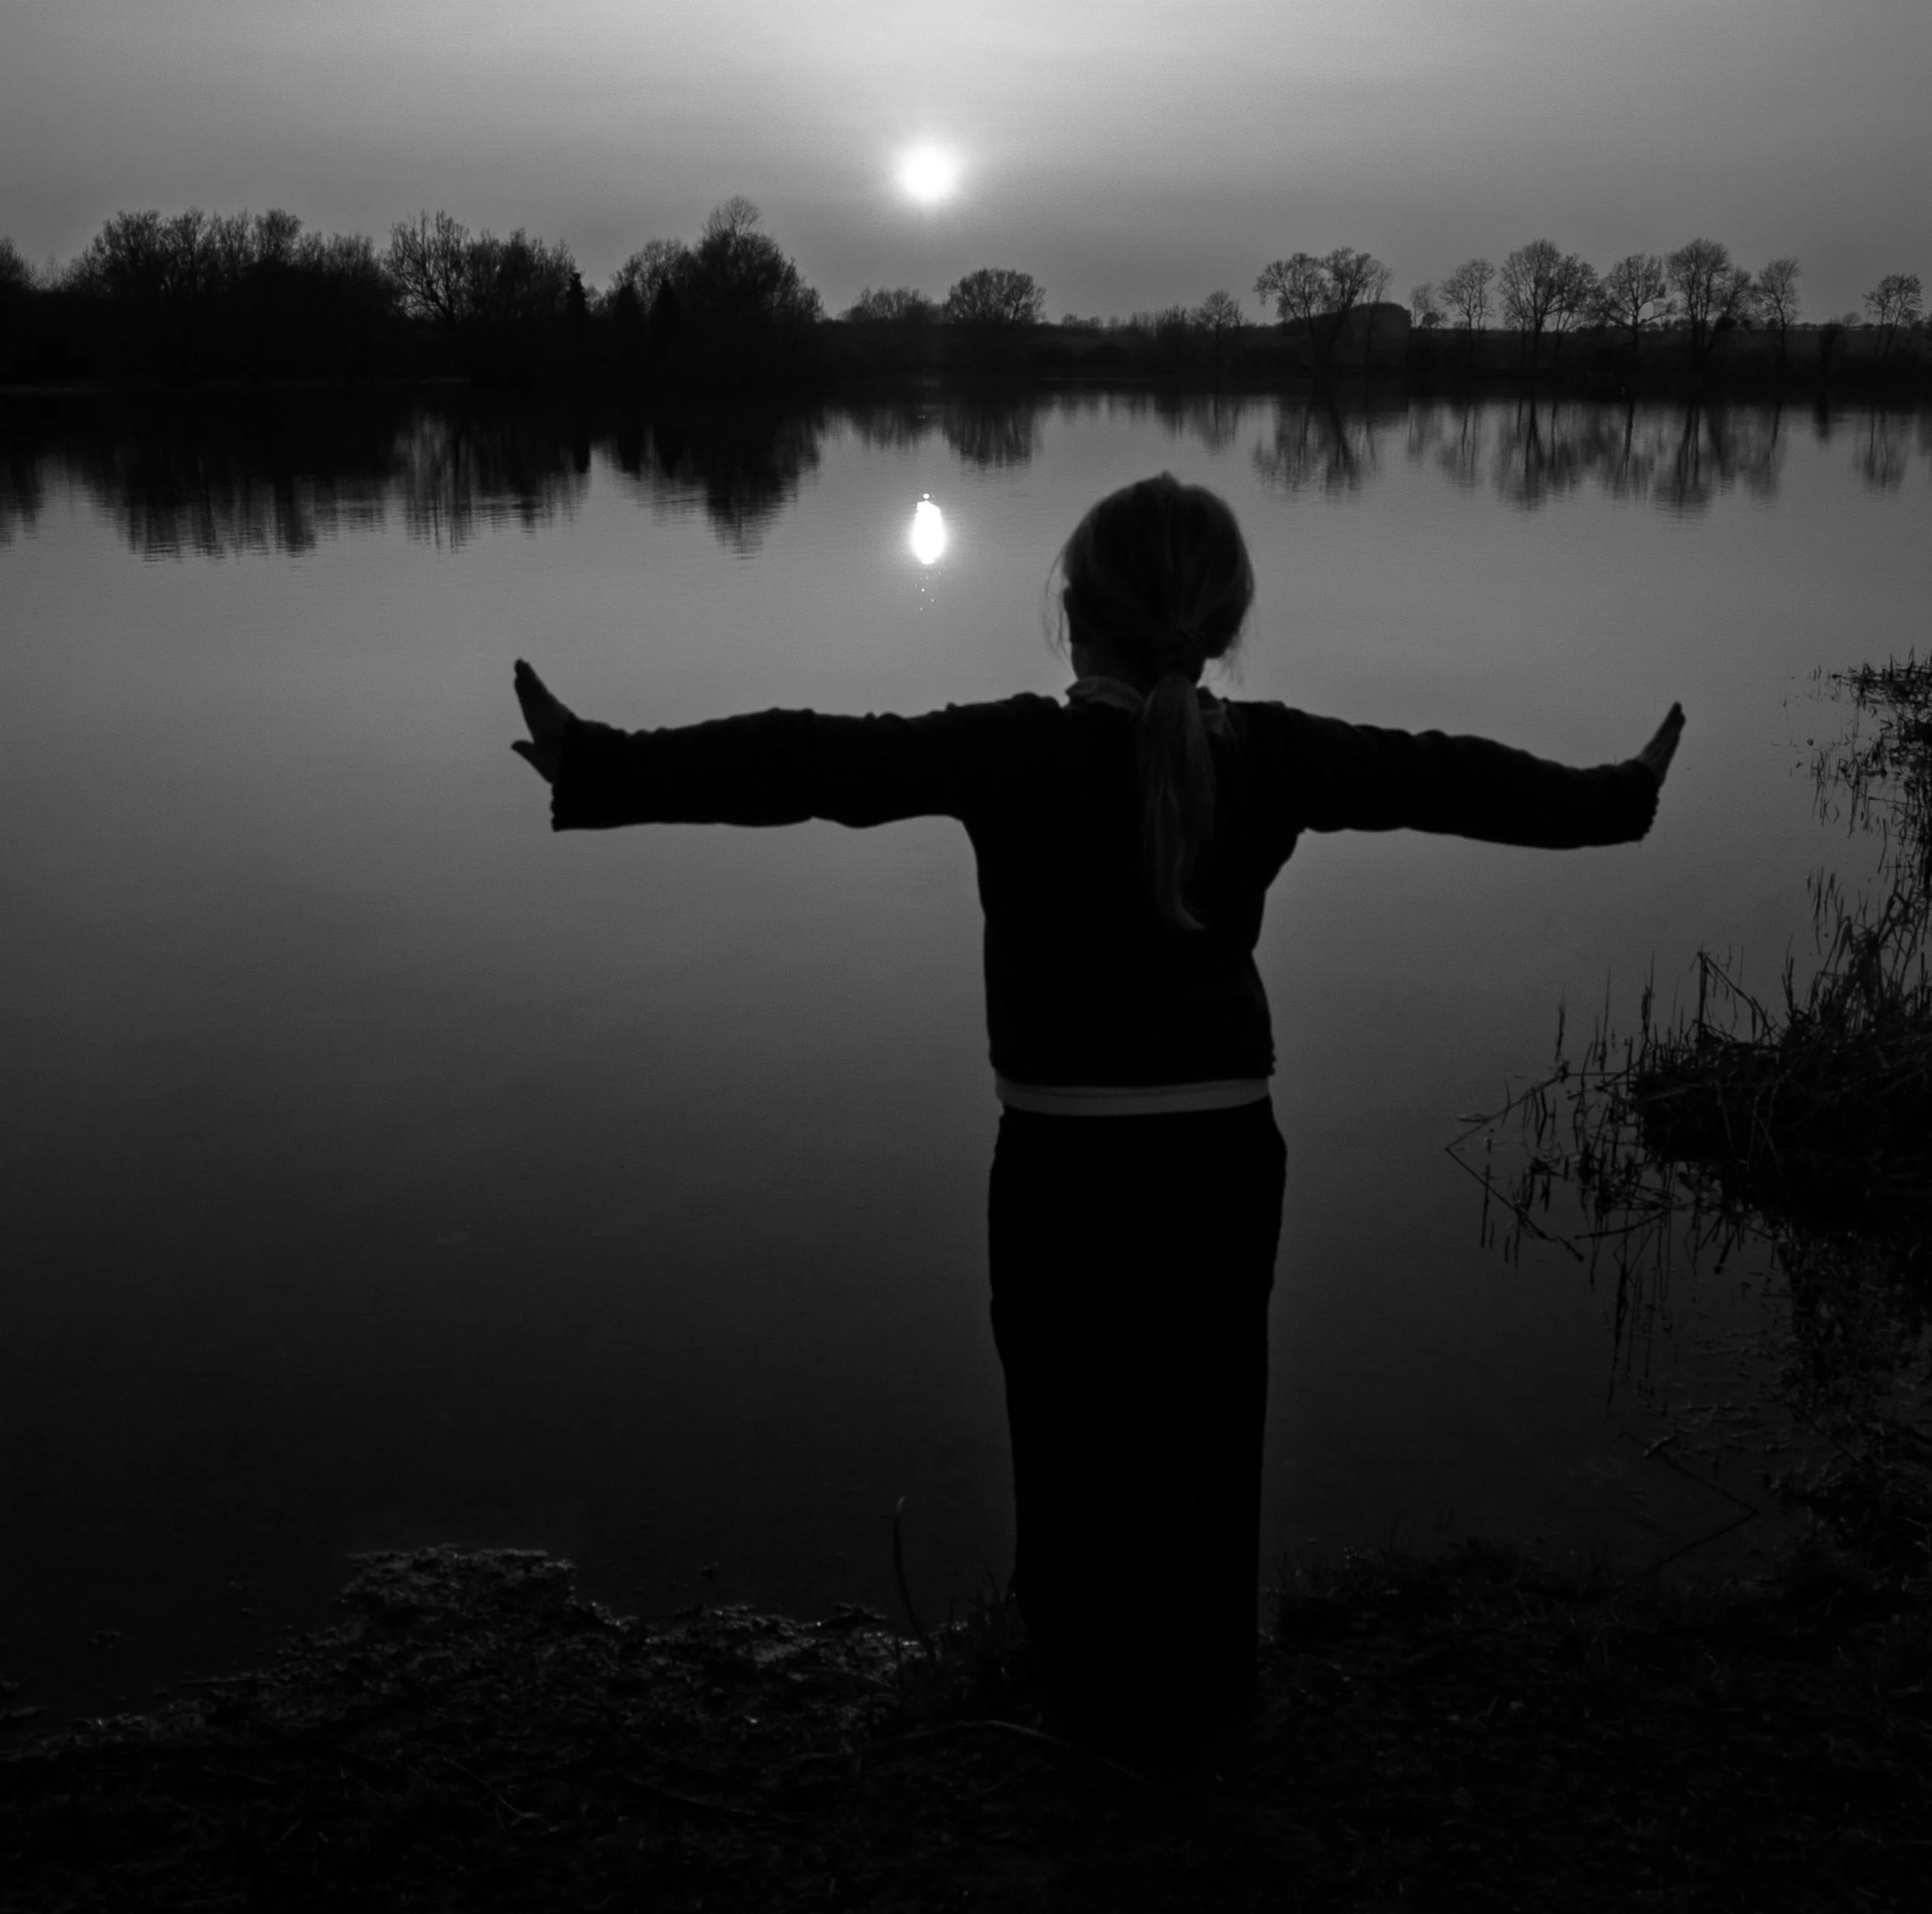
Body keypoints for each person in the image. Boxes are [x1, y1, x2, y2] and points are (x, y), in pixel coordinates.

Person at [511, 471, 1682, 1763]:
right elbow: (1455, 780)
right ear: (1224, 622)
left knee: (1071, 1441)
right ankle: (1205, 1711)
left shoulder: (1015, 747)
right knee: (1208, 1433)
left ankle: (1090, 1717)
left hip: (1063, 1156)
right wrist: (1617, 796)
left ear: (1076, 617)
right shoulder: (1272, 751)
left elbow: (814, 758)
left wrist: (599, 764)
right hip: (1226, 1148)